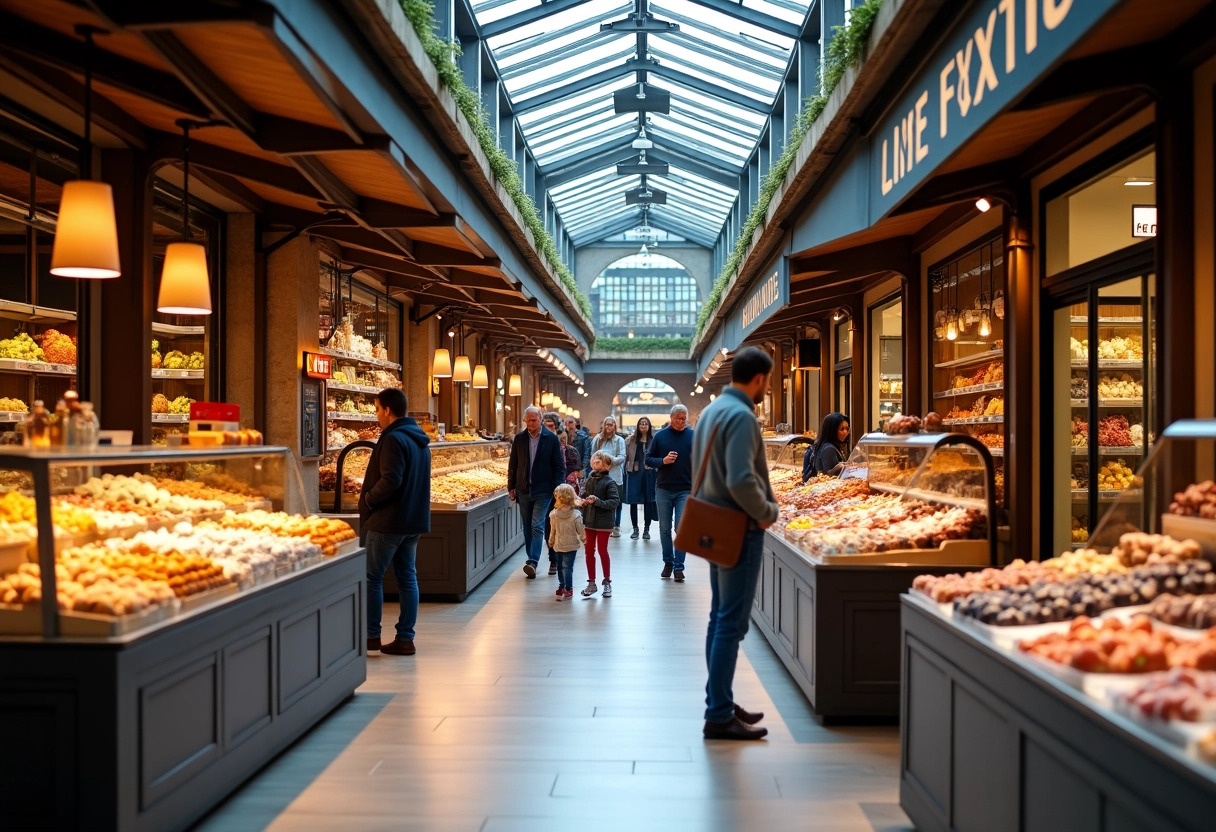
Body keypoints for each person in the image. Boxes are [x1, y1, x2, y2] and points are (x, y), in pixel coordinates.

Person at [690, 346, 779, 741]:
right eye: (769, 380)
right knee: (732, 621)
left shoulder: (711, 412)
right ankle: (719, 714)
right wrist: (766, 512)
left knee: (718, 616)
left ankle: (720, 701)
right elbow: (742, 479)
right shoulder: (742, 416)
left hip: (714, 523)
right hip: (739, 526)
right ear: (759, 378)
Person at [359, 388, 430, 656]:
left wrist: (368, 499)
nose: (377, 415)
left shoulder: (392, 439)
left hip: (388, 520)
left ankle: (370, 636)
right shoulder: (419, 439)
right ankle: (405, 638)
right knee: (408, 579)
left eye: (377, 409)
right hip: (413, 520)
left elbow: (391, 480)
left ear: (387, 410)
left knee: (371, 577)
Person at [508, 405, 566, 579]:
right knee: (526, 527)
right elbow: (513, 465)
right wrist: (511, 486)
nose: (530, 423)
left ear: (540, 419)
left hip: (544, 490)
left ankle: (532, 561)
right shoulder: (519, 439)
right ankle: (531, 559)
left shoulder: (551, 439)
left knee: (537, 524)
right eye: (527, 420)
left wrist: (556, 489)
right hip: (523, 489)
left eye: (533, 420)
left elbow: (559, 467)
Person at [646, 404, 693, 582]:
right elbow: (648, 459)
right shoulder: (660, 436)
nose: (681, 422)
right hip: (664, 488)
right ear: (671, 418)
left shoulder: (692, 435)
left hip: (685, 489)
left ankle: (679, 567)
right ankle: (668, 562)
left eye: (684, 418)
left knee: (680, 528)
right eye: (678, 418)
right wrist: (663, 461)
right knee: (664, 529)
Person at [579, 451, 620, 597]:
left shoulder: (609, 482)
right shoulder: (590, 478)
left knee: (602, 551)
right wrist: (583, 500)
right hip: (589, 520)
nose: (594, 461)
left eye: (598, 460)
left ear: (606, 465)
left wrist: (597, 501)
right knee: (589, 550)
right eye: (594, 459)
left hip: (604, 522)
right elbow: (585, 494)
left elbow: (614, 502)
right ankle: (591, 582)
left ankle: (607, 582)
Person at [590, 416, 627, 537]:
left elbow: (622, 456)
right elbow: (593, 454)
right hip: (600, 475)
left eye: (611, 425)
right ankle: (602, 525)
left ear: (615, 426)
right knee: (600, 499)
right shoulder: (597, 439)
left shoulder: (619, 440)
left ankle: (616, 525)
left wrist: (609, 461)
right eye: (607, 424)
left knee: (616, 500)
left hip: (615, 474)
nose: (609, 427)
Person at [547, 483, 585, 601]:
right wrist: (584, 539)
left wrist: (551, 541)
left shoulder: (554, 514)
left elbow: (552, 530)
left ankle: (562, 586)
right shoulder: (576, 515)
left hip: (558, 544)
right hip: (571, 545)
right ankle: (568, 588)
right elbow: (580, 530)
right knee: (567, 567)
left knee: (560, 566)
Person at [624, 416, 658, 539]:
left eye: (646, 424)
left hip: (649, 473)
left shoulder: (654, 440)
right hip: (634, 472)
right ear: (638, 426)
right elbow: (626, 456)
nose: (643, 426)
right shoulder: (631, 440)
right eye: (641, 424)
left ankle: (646, 529)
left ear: (649, 426)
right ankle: (635, 529)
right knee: (633, 501)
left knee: (648, 501)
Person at [803, 413, 850, 481]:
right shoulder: (829, 449)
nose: (845, 432)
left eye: (847, 428)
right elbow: (831, 478)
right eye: (842, 429)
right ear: (832, 430)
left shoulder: (826, 446)